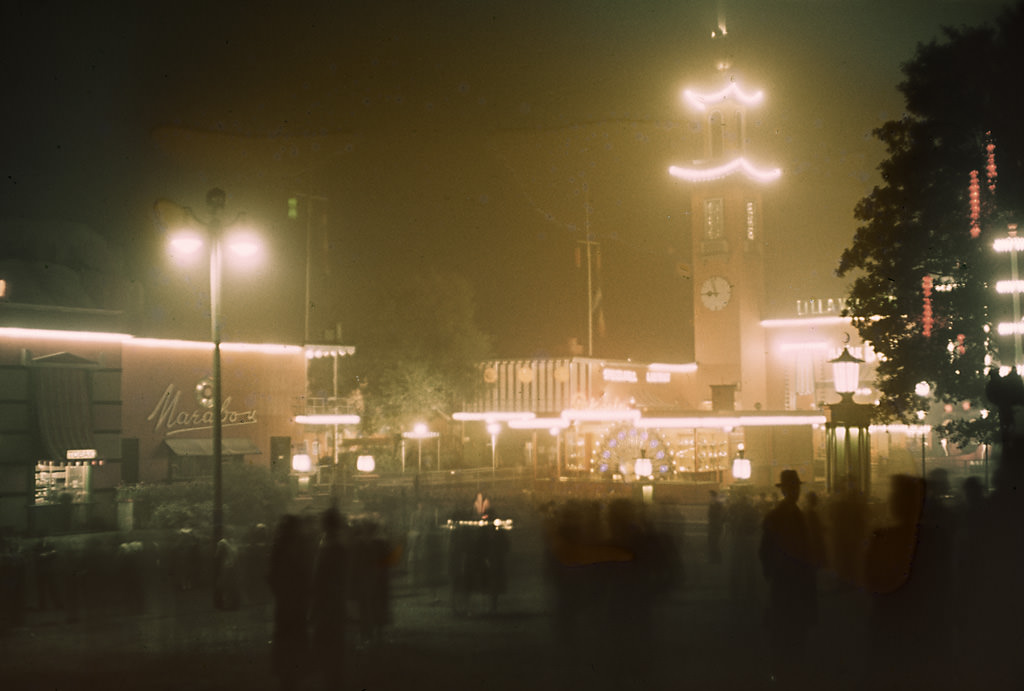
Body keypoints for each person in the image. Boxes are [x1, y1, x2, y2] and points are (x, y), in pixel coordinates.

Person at [759, 469, 816, 687]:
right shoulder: (792, 515)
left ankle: (784, 675)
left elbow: (764, 552)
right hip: (793, 583)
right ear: (785, 490)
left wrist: (771, 572)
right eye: (793, 487)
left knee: (785, 634)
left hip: (784, 583)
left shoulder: (776, 516)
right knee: (793, 635)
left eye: (797, 487)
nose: (796, 491)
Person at [310, 507, 348, 690]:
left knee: (327, 643)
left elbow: (319, 577)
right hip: (335, 601)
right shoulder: (338, 546)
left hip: (327, 602)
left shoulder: (327, 548)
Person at [707, 489, 726, 565]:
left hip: (716, 526)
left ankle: (716, 559)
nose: (710, 498)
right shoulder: (714, 504)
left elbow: (718, 515)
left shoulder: (717, 505)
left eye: (711, 496)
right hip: (713, 525)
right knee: (712, 543)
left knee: (714, 543)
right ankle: (714, 559)